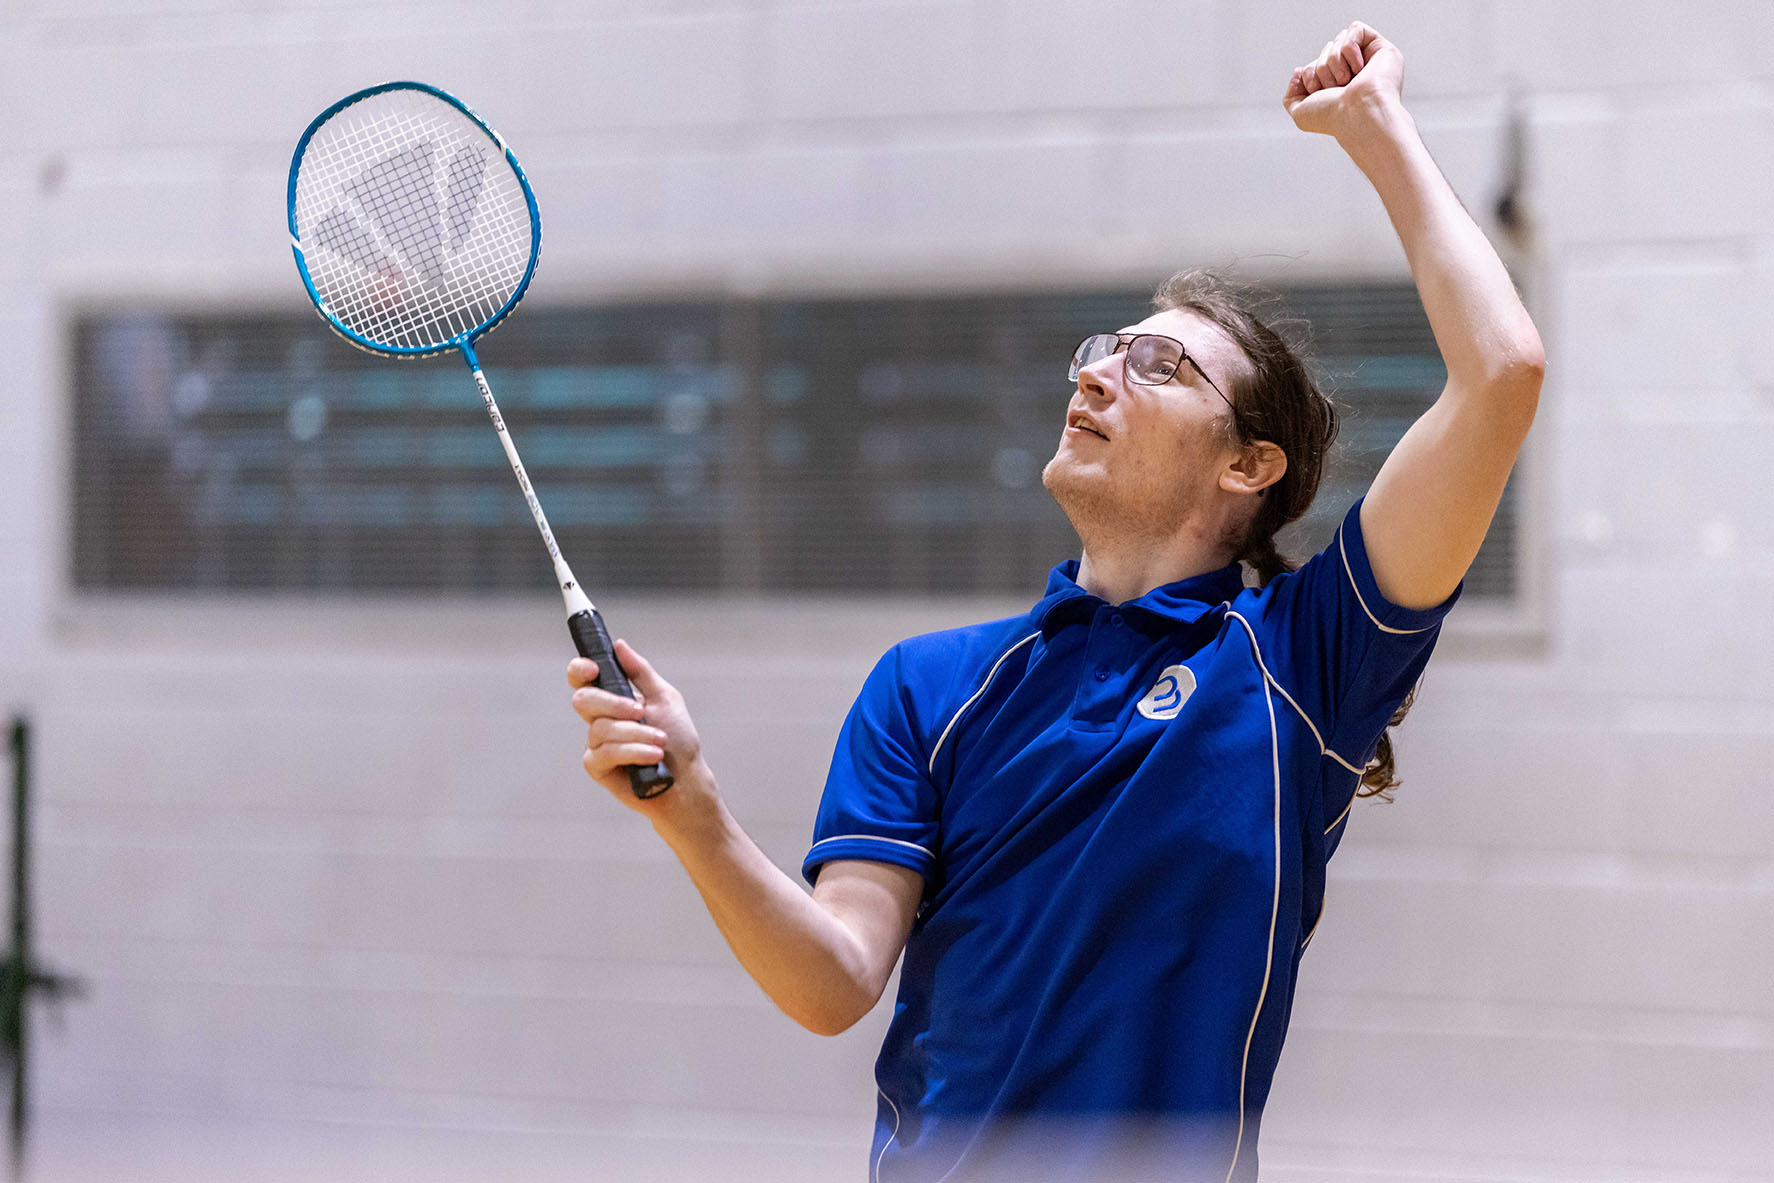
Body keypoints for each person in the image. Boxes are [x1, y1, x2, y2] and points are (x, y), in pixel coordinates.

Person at [567, 21, 1543, 1182]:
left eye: (1160, 366)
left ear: (1250, 466)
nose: (1094, 372)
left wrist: (1377, 130)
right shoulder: (929, 687)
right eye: (1103, 348)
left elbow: (1502, 372)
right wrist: (697, 815)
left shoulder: (1304, 663)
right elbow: (834, 981)